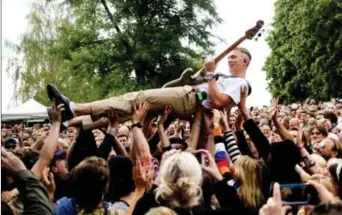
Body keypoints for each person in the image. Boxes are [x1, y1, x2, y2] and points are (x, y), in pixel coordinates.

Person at [46, 47, 252, 129]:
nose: (230, 59)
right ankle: (69, 122)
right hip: (189, 97)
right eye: (230, 56)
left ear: (245, 62)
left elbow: (218, 101)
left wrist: (210, 74)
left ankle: (73, 107)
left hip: (190, 99)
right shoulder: (223, 77)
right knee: (126, 114)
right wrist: (205, 76)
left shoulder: (240, 84)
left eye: (234, 57)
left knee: (137, 97)